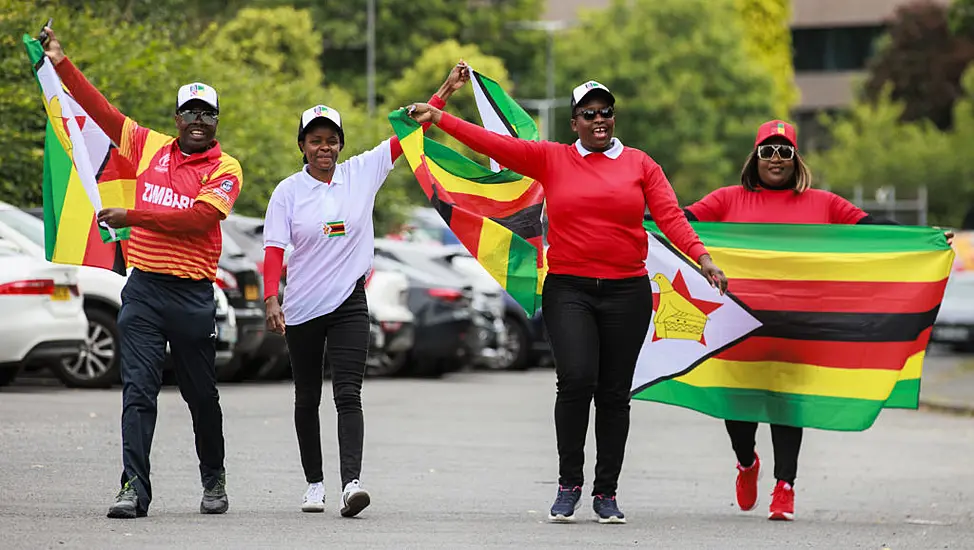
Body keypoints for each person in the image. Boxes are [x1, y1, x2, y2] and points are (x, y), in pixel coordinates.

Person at [406, 80, 728, 524]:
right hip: (570, 289)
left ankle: (606, 492)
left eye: (606, 112)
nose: (599, 120)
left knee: (614, 395)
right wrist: (441, 117)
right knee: (576, 380)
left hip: (626, 291)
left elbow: (670, 216)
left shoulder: (640, 164)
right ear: (574, 121)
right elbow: (494, 142)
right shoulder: (552, 158)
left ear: (614, 117)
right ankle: (568, 484)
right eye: (589, 113)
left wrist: (703, 259)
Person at [682, 119, 952, 521]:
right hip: (737, 325)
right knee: (736, 406)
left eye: (785, 152)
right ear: (754, 158)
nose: (776, 159)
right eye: (767, 151)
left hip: (797, 326)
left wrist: (922, 240)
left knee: (787, 404)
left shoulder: (823, 203)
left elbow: (871, 231)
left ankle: (784, 487)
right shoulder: (726, 200)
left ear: (796, 159)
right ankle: (746, 463)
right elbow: (677, 222)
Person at [41, 27, 241, 519]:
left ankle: (213, 477)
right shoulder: (148, 145)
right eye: (190, 112)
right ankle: (133, 488)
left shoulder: (227, 167)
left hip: (193, 296)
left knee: (201, 397)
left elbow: (200, 219)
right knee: (138, 392)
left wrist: (133, 217)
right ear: (177, 118)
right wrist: (62, 63)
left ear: (216, 121)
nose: (198, 120)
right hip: (145, 290)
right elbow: (102, 111)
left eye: (207, 113)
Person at [261, 64, 470, 516]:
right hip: (301, 306)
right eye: (315, 139)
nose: (324, 147)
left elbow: (407, 135)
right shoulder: (288, 193)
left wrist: (445, 92)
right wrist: (271, 297)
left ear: (340, 144)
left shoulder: (361, 172)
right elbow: (275, 249)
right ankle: (314, 483)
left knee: (348, 393)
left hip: (350, 302)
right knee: (306, 397)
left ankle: (350, 483)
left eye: (331, 139)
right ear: (302, 145)